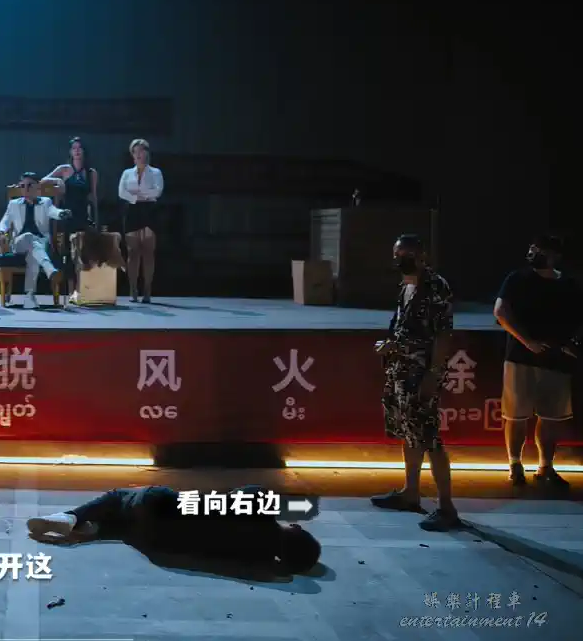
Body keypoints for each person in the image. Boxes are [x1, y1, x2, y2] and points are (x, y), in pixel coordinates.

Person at [371, 234, 460, 531]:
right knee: (410, 434)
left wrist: (433, 375)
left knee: (430, 438)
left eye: (408, 254)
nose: (402, 259)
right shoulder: (406, 286)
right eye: (398, 254)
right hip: (401, 372)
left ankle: (446, 507)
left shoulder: (435, 287)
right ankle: (410, 492)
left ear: (423, 256)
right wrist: (390, 345)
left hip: (421, 375)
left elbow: (443, 334)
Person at [26, 486, 321, 574]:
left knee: (118, 498)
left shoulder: (261, 502)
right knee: (126, 526)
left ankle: (71, 517)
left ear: (295, 528)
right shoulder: (258, 560)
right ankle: (95, 528)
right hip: (161, 543)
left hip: (161, 506)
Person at [493, 234, 582, 488]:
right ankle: (515, 465)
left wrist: (572, 343)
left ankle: (546, 467)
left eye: (540, 250)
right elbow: (500, 312)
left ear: (555, 256)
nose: (534, 253)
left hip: (557, 360)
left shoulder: (570, 284)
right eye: (532, 248)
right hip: (521, 358)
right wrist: (527, 341)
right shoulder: (517, 279)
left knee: (551, 417)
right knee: (516, 415)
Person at [0, 173, 73, 308]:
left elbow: (53, 211)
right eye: (22, 186)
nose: (25, 189)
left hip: (40, 244)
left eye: (30, 185)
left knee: (33, 252)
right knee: (29, 237)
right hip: (19, 244)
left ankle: (29, 295)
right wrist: (0, 232)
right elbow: (4, 222)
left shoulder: (45, 202)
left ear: (37, 187)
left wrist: (62, 213)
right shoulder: (14, 204)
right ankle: (49, 268)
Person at [41, 137, 98, 298]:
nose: (77, 151)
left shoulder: (91, 172)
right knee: (68, 253)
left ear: (84, 151)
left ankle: (82, 290)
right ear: (70, 152)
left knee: (82, 254)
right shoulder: (65, 169)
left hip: (83, 216)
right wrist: (58, 181)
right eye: (74, 148)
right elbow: (43, 181)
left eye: (80, 148)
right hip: (67, 215)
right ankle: (71, 290)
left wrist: (96, 219)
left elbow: (93, 197)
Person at [118, 138, 164, 303]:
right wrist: (137, 197)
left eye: (142, 151)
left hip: (149, 211)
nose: (139, 154)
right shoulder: (127, 173)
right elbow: (121, 192)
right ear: (132, 154)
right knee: (132, 252)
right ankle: (133, 289)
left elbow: (157, 191)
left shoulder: (156, 172)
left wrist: (140, 194)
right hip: (132, 210)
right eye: (136, 151)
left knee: (148, 252)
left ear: (147, 153)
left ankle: (147, 290)